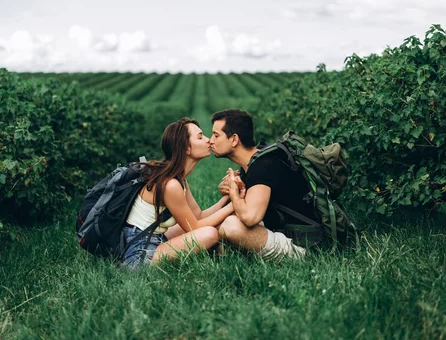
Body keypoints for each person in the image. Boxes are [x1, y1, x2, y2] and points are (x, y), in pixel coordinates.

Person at [121, 117, 234, 269]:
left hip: (155, 238)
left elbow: (198, 216)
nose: (208, 140)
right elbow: (194, 228)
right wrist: (234, 204)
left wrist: (228, 197)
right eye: (200, 137)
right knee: (209, 234)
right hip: (139, 254)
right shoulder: (171, 184)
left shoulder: (179, 179)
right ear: (186, 148)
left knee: (208, 225)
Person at [209, 109, 317, 262]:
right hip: (285, 232)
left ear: (234, 140)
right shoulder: (254, 163)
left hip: (304, 244)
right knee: (223, 220)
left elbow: (250, 217)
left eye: (216, 135)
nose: (210, 140)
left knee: (230, 226)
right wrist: (231, 191)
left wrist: (234, 193)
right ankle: (221, 258)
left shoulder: (262, 166)